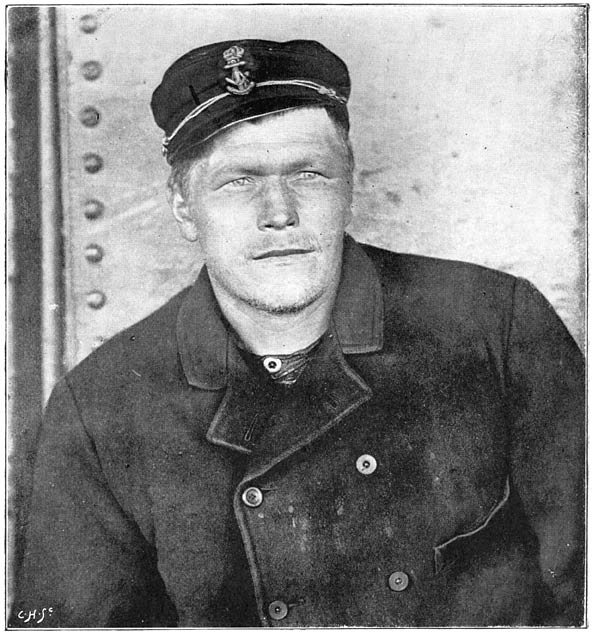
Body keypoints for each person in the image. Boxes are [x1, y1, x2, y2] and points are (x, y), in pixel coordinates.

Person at [11, 39, 584, 627]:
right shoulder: (99, 407)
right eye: (239, 181)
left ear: (348, 187)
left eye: (308, 174)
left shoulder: (497, 326)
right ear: (184, 207)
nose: (279, 212)